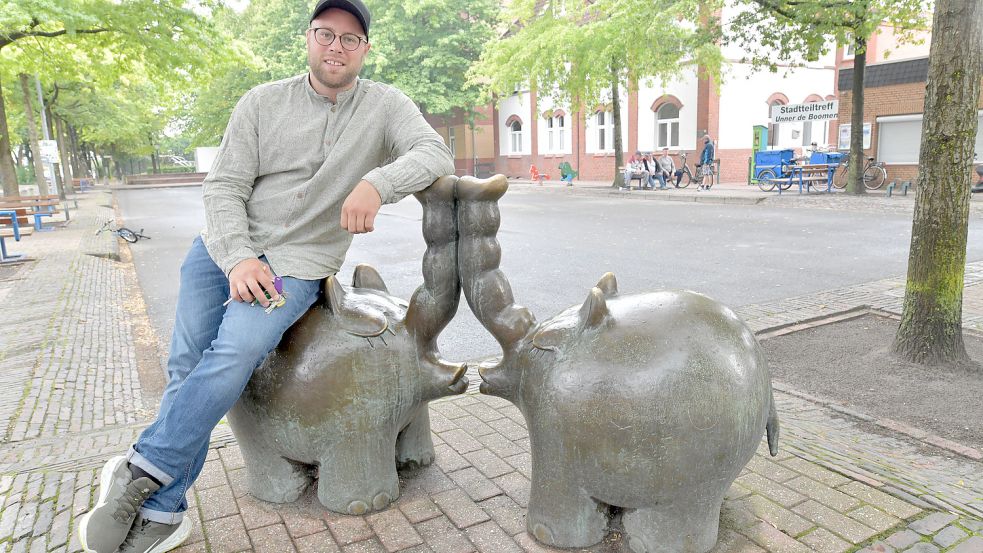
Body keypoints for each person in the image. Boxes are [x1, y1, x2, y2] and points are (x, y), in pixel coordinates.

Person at [76, 1, 454, 552]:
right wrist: (238, 258)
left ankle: (143, 472)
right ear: (308, 39)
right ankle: (163, 505)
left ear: (364, 51)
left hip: (297, 265)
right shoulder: (261, 102)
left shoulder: (385, 106)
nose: (336, 47)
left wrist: (378, 183)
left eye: (351, 40)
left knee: (233, 354)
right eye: (326, 34)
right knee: (185, 364)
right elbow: (223, 186)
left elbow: (434, 152)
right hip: (222, 252)